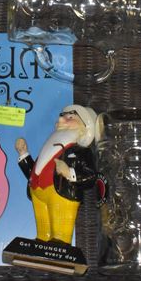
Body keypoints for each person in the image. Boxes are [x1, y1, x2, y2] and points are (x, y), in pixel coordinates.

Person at [15, 104, 97, 245]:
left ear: (83, 127)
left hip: (61, 192)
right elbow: (35, 171)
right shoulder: (51, 144)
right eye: (62, 116)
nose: (61, 120)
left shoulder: (81, 152)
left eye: (70, 117)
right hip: (38, 191)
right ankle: (41, 241)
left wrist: (69, 172)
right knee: (43, 233)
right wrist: (23, 154)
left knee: (59, 234)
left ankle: (60, 245)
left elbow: (91, 175)